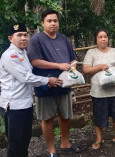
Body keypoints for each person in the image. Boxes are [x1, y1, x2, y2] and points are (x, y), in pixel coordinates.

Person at [0, 23, 61, 157]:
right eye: (19, 35)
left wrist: (45, 82)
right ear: (11, 38)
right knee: (16, 142)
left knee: (24, 139)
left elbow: (29, 76)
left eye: (25, 35)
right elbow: (25, 77)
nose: (23, 38)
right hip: (15, 105)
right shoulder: (10, 56)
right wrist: (47, 80)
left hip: (25, 103)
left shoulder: (23, 53)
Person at [27, 9, 80, 157]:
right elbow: (35, 61)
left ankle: (65, 142)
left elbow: (72, 59)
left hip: (65, 85)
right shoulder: (36, 40)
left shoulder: (63, 39)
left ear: (58, 22)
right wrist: (58, 65)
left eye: (55, 21)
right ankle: (51, 149)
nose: (52, 24)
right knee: (48, 118)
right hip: (46, 86)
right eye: (49, 21)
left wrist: (73, 67)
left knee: (65, 116)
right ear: (42, 23)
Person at [83, 29, 115, 150]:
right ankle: (99, 139)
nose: (103, 39)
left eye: (105, 36)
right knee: (99, 116)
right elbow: (86, 69)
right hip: (99, 92)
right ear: (96, 40)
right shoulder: (91, 53)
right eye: (100, 37)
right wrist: (99, 67)